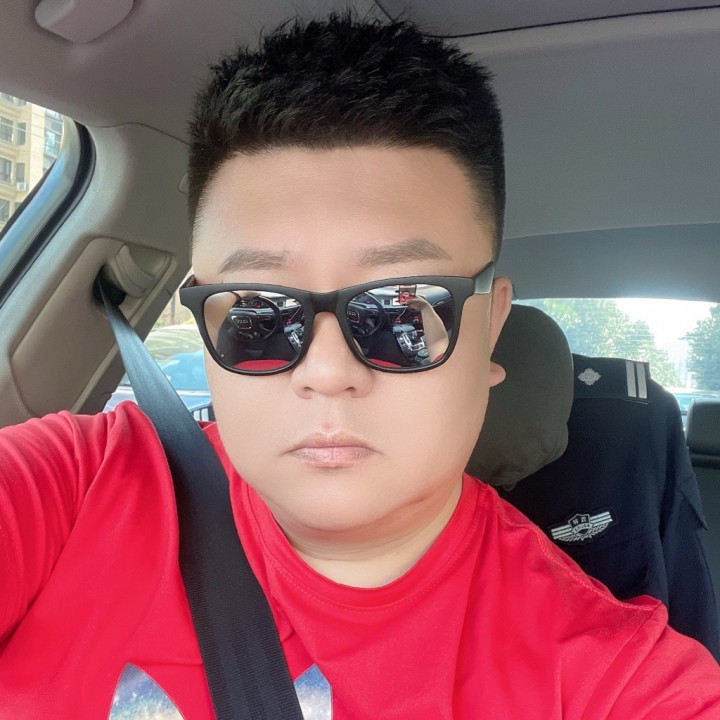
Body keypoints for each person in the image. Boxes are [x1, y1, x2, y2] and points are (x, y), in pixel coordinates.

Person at [1, 13, 719, 720]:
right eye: (258, 310)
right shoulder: (75, 487)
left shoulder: (612, 681)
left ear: (491, 329)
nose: (326, 372)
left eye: (401, 311)